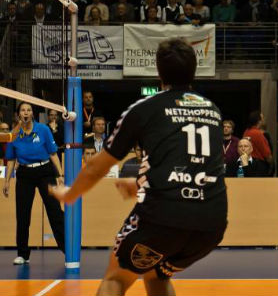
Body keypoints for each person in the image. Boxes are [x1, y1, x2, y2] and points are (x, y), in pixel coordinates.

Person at [50, 38, 227, 296]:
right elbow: (190, 165)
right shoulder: (213, 111)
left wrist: (70, 194)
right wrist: (139, 184)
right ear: (194, 70)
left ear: (158, 72)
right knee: (156, 275)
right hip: (210, 225)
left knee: (116, 279)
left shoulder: (146, 108)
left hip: (163, 218)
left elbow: (96, 167)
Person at [1, 102, 64, 264]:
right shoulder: (14, 134)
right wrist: (7, 181)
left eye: (28, 110)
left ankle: (67, 250)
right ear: (18, 115)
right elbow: (11, 160)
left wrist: (60, 175)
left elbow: (53, 154)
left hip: (45, 171)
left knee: (55, 211)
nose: (26, 112)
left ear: (32, 114)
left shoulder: (43, 129)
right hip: (24, 174)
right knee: (22, 214)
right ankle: (23, 254)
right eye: (23, 110)